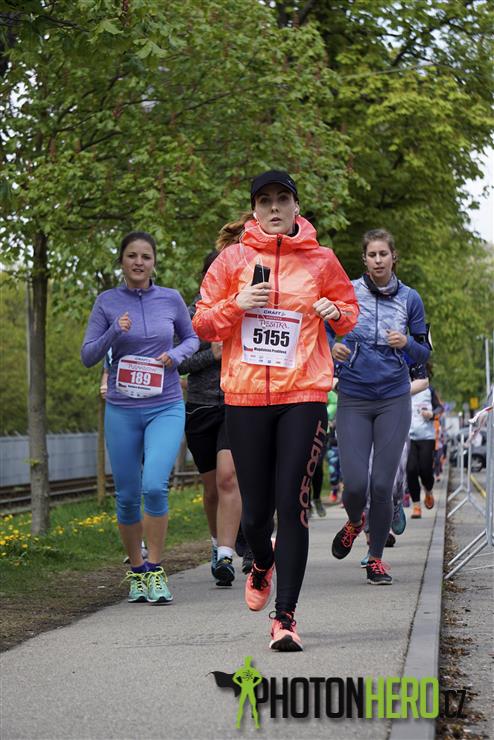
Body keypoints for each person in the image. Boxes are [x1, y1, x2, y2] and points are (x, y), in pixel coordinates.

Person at [193, 170, 358, 651]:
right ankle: (262, 561)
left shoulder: (322, 259)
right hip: (245, 398)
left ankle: (285, 617)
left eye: (282, 199)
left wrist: (335, 313)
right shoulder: (232, 260)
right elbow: (202, 323)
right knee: (255, 515)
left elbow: (349, 312)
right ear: (254, 210)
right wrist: (237, 304)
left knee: (293, 504)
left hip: (303, 393)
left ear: (295, 206)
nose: (273, 208)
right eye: (264, 200)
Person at [81, 231, 199, 604]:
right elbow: (88, 355)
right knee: (128, 496)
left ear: (154, 263)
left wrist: (175, 356)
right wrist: (114, 331)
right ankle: (136, 571)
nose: (138, 262)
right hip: (122, 408)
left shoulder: (171, 298)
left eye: (146, 256)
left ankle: (156, 569)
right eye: (132, 255)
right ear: (121, 261)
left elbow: (192, 339)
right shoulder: (106, 302)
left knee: (155, 486)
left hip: (165, 404)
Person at [330, 228, 431, 585]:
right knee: (356, 484)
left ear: (393, 257)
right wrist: (331, 348)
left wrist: (406, 344)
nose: (377, 260)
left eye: (383, 254)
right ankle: (354, 521)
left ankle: (375, 559)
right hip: (354, 397)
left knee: (383, 484)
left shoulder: (410, 299)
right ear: (364, 259)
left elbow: (423, 353)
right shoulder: (347, 293)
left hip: (393, 398)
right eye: (371, 255)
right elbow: (320, 331)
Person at [178, 249, 244, 587]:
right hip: (200, 406)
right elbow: (179, 363)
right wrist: (211, 355)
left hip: (236, 403)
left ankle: (227, 555)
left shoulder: (244, 308)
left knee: (228, 477)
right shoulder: (190, 313)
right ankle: (218, 543)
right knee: (211, 489)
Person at [407, 366, 444, 519]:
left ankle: (428, 490)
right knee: (411, 470)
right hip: (408, 436)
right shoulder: (405, 389)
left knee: (425, 470)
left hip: (427, 437)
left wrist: (431, 414)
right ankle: (416, 505)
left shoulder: (429, 390)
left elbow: (439, 408)